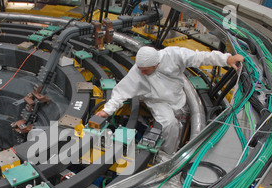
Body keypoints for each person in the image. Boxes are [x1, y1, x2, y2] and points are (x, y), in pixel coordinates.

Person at [96, 46, 244, 154]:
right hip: (157, 102)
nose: (142, 73)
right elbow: (121, 91)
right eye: (140, 69)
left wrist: (227, 59)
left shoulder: (173, 55)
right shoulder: (138, 71)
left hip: (178, 98)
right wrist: (107, 111)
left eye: (145, 70)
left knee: (183, 122)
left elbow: (200, 57)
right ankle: (166, 155)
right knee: (169, 124)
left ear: (157, 64)